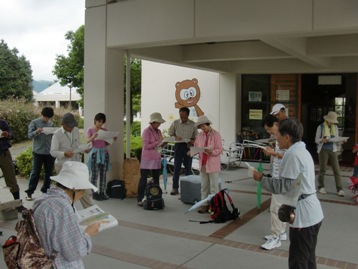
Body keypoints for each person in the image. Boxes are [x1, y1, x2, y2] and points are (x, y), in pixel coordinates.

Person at [252, 118, 323, 269]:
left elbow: (282, 187)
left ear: (287, 137)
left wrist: (261, 178)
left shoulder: (293, 155)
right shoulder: (301, 151)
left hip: (304, 217)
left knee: (298, 263)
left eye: (277, 134)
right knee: (308, 260)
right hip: (312, 213)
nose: (275, 137)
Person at [33, 161, 102, 268]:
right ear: (77, 189)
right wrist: (88, 233)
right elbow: (75, 251)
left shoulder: (44, 199)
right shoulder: (63, 207)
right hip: (59, 264)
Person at [50, 113, 93, 208]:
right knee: (66, 192)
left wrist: (84, 150)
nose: (72, 128)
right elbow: (53, 152)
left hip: (76, 164)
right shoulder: (57, 135)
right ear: (63, 124)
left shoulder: (76, 130)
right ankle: (66, 211)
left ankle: (91, 210)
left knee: (82, 187)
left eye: (73, 125)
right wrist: (64, 153)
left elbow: (78, 146)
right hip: (63, 166)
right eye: (69, 126)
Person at [260, 114, 287, 250]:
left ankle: (276, 237)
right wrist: (273, 152)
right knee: (280, 206)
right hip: (279, 175)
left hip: (282, 177)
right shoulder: (279, 136)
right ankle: (281, 232)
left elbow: (289, 155)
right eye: (267, 130)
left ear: (276, 123)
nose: (269, 132)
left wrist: (274, 153)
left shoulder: (285, 136)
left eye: (270, 128)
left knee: (275, 208)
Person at [25, 107, 56, 201]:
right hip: (38, 152)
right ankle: (29, 192)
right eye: (46, 117)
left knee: (49, 173)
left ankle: (45, 191)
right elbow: (29, 135)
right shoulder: (34, 122)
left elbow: (54, 137)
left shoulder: (51, 124)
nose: (47, 119)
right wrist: (36, 131)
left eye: (49, 118)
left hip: (49, 152)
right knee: (35, 172)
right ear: (42, 115)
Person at [193, 115, 222, 213]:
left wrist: (212, 152)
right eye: (200, 126)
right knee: (204, 187)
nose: (202, 128)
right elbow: (196, 147)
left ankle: (215, 206)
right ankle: (204, 205)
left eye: (203, 125)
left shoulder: (216, 134)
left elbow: (219, 149)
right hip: (203, 164)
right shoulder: (199, 135)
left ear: (208, 124)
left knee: (214, 187)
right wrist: (192, 152)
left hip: (213, 164)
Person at [137, 112, 165, 206]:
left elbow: (159, 145)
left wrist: (163, 143)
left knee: (156, 178)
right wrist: (158, 142)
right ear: (153, 122)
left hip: (156, 157)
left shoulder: (159, 131)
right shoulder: (146, 131)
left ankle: (157, 197)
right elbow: (146, 146)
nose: (159, 124)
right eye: (158, 122)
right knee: (143, 178)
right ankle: (139, 198)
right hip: (147, 158)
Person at [87, 113, 117, 201]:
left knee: (103, 174)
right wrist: (93, 137)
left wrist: (112, 140)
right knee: (95, 175)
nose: (100, 123)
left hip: (104, 153)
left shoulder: (104, 130)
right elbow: (88, 141)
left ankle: (102, 192)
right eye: (99, 121)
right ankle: (94, 193)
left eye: (102, 122)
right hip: (95, 153)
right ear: (95, 120)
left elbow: (106, 143)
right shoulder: (90, 130)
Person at [168, 107, 198, 195]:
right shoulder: (175, 123)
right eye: (181, 116)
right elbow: (170, 133)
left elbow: (197, 137)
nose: (182, 118)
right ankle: (175, 188)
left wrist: (192, 141)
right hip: (178, 146)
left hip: (189, 146)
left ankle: (187, 189)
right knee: (176, 167)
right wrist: (176, 137)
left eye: (184, 117)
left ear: (188, 115)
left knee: (188, 168)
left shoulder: (193, 124)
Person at [315, 111, 345, 197]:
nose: (332, 122)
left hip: (333, 149)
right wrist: (322, 140)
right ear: (328, 120)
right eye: (331, 121)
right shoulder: (320, 127)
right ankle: (321, 186)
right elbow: (316, 139)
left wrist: (342, 141)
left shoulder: (335, 127)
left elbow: (336, 139)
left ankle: (340, 189)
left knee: (337, 169)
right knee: (323, 169)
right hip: (323, 149)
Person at [0, 119, 27, 212]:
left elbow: (11, 134)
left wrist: (7, 135)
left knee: (11, 178)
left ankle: (18, 204)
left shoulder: (2, 122)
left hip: (4, 153)